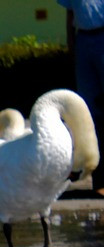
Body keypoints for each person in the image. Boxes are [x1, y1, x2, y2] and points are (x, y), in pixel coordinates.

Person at [57, 0, 104, 195]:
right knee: (89, 112)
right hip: (83, 40)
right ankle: (99, 180)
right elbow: (70, 13)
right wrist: (70, 42)